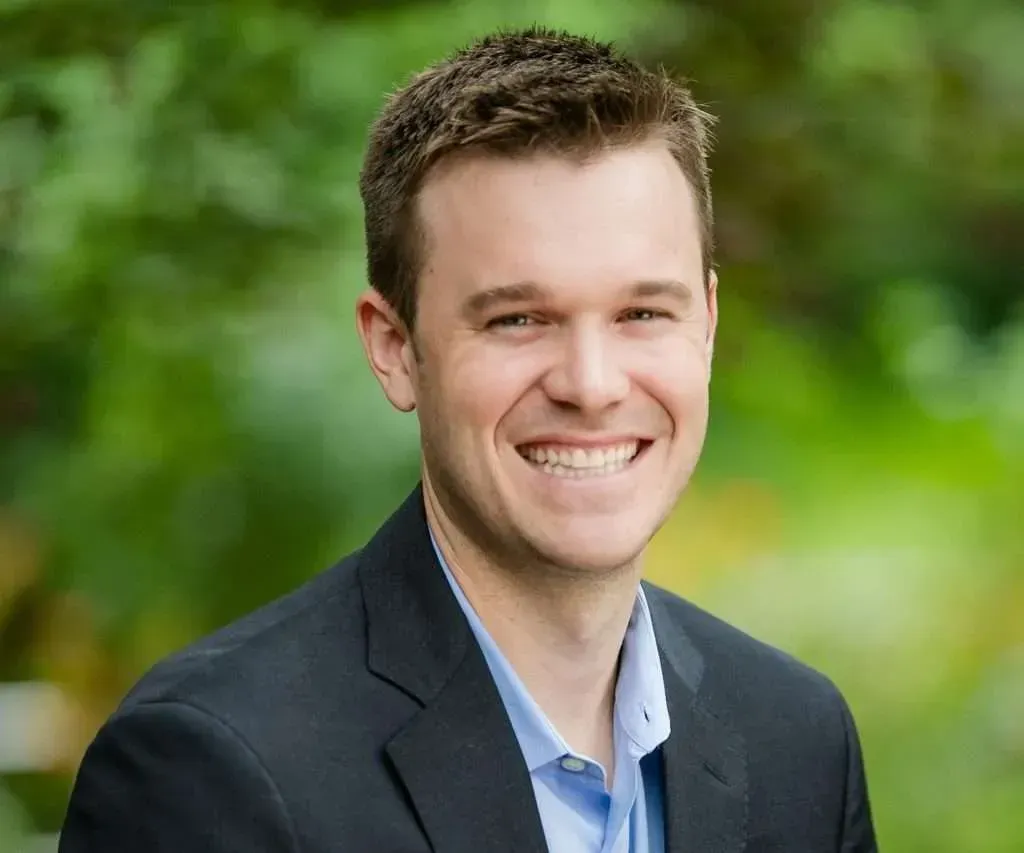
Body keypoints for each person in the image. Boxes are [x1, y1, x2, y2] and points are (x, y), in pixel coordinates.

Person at [58, 27, 878, 853]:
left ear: (705, 324)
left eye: (641, 314)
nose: (591, 385)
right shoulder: (208, 773)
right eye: (518, 319)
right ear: (395, 348)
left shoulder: (799, 743)